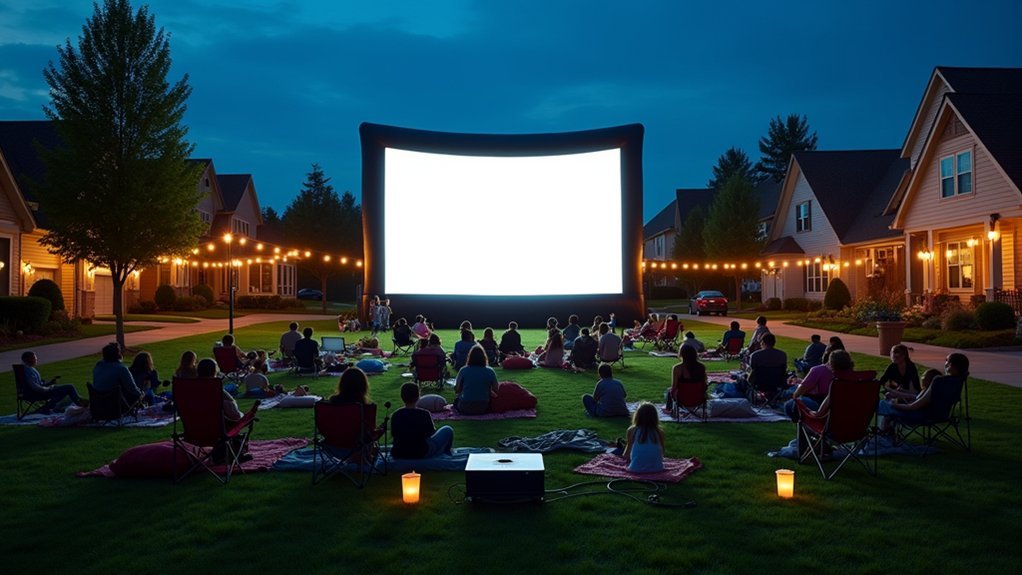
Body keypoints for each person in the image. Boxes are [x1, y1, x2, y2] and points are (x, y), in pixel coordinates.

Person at [878, 353, 970, 429]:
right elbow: (920, 397)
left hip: (924, 416)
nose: (945, 363)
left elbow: (913, 406)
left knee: (883, 405)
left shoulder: (939, 381)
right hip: (942, 415)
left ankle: (885, 439)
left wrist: (893, 405)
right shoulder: (957, 381)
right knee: (889, 406)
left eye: (946, 360)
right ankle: (888, 437)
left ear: (950, 365)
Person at [784, 350, 854, 421]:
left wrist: (818, 413)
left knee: (789, 403)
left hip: (821, 407)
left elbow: (797, 394)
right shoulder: (854, 378)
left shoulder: (822, 372)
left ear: (831, 363)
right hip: (845, 409)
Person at [390, 383, 455, 459]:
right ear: (418, 397)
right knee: (448, 429)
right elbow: (431, 434)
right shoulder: (424, 414)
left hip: (399, 453)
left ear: (402, 397)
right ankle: (446, 453)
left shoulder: (396, 415)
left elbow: (394, 435)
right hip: (421, 453)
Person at [19, 351, 84, 414]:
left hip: (38, 392)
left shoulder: (29, 369)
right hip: (36, 394)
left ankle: (47, 407)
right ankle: (80, 404)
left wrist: (50, 383)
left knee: (62, 390)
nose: (36, 359)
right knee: (69, 387)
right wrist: (49, 388)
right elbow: (35, 387)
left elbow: (38, 384)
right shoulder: (28, 371)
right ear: (28, 359)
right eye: (34, 358)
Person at [453, 345, 499, 415]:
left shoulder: (463, 370)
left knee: (456, 401)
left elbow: (457, 389)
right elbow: (496, 390)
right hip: (484, 406)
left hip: (465, 406)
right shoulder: (490, 371)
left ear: (469, 357)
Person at [92, 342, 142, 407]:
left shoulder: (98, 365)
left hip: (98, 404)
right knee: (146, 396)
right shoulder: (121, 369)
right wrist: (141, 393)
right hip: (115, 406)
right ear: (118, 354)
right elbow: (132, 389)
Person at [622, 402, 665, 473]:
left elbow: (626, 454)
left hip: (635, 469)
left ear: (637, 416)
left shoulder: (632, 430)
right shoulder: (659, 431)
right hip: (657, 468)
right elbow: (662, 452)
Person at [747, 333, 788, 399]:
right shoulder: (782, 355)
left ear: (762, 342)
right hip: (777, 383)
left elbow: (752, 370)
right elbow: (783, 369)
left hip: (759, 383)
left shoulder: (755, 355)